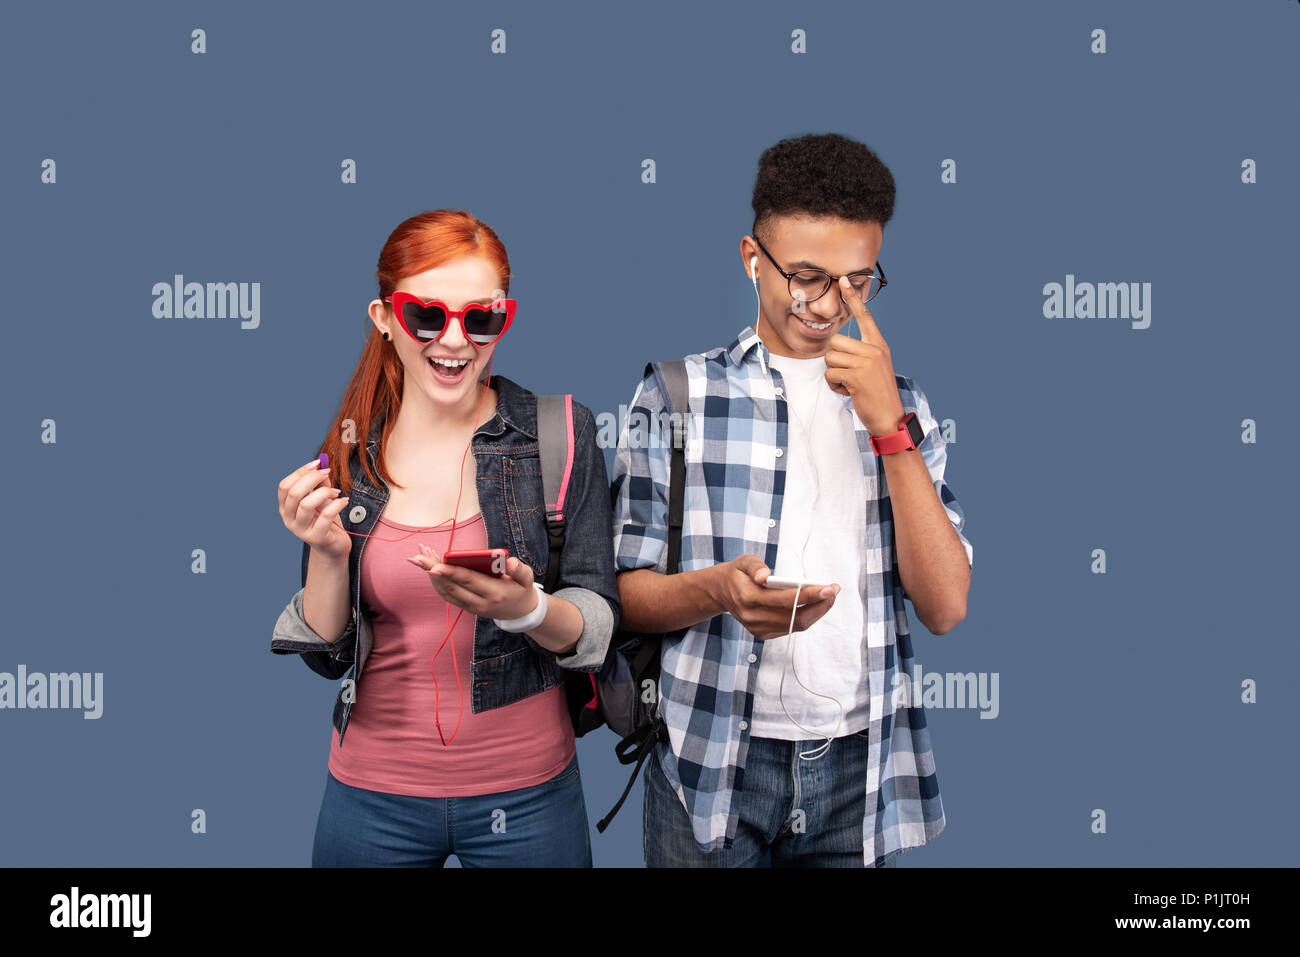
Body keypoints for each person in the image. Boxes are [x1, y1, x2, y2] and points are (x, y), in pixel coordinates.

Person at [610, 133, 974, 868]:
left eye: (858, 281)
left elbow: (945, 607)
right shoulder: (678, 394)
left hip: (859, 771)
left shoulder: (906, 406)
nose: (830, 303)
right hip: (711, 760)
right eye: (806, 275)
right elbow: (623, 595)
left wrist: (888, 428)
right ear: (753, 259)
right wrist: (719, 591)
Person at [271, 209, 619, 867]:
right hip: (371, 797)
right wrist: (325, 551)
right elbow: (326, 655)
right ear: (383, 317)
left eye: (481, 317)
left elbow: (600, 623)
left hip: (529, 795)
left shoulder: (562, 434)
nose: (455, 340)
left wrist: (528, 610)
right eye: (427, 316)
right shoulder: (351, 453)